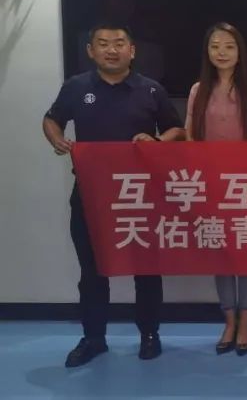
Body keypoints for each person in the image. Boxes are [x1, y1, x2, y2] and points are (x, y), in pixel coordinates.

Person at [43, 23, 186, 367]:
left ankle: (149, 334)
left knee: (146, 268)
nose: (112, 50)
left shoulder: (151, 90)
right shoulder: (76, 87)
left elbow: (177, 130)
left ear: (131, 51)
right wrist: (56, 138)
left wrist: (157, 141)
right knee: (92, 269)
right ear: (91, 51)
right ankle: (94, 338)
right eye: (103, 43)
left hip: (140, 195)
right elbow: (51, 119)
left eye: (119, 43)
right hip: (92, 194)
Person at [184, 22, 247, 356]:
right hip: (210, 184)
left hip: (244, 185)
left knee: (245, 255)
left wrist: (238, 174)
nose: (221, 52)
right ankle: (229, 321)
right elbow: (191, 135)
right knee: (220, 255)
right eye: (215, 46)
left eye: (229, 46)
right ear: (207, 52)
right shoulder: (198, 90)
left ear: (239, 52)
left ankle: (245, 321)